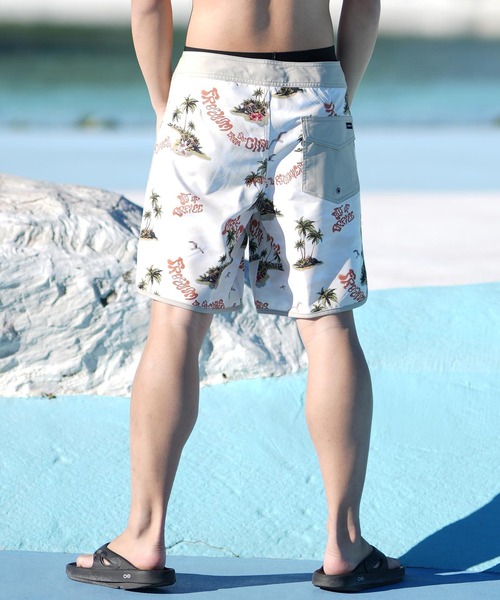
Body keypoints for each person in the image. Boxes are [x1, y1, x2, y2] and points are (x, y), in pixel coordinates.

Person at [66, 0, 405, 593]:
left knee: (176, 322)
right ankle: (345, 542)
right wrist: (337, 92)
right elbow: (365, 4)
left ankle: (143, 536)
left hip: (209, 91)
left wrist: (164, 104)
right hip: (313, 86)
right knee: (328, 323)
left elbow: (149, 5)